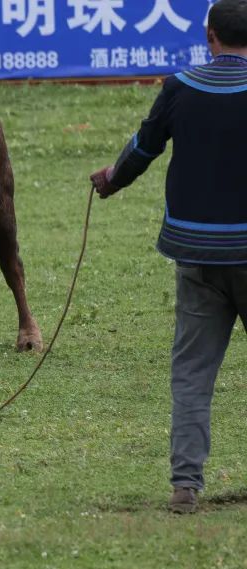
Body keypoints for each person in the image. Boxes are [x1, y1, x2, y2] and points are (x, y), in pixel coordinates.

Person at [90, 0, 247, 514]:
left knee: (192, 374)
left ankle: (186, 486)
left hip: (197, 253)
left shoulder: (181, 86)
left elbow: (143, 147)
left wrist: (111, 181)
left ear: (210, 36)